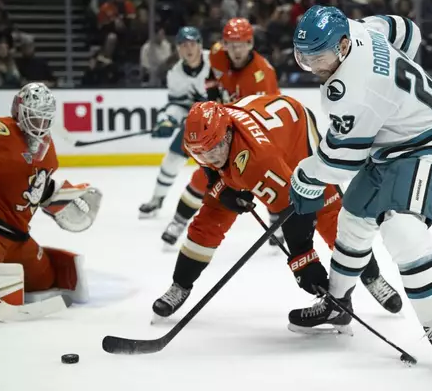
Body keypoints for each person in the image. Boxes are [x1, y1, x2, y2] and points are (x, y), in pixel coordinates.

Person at [287, 6, 432, 363]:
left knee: (401, 228)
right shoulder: (359, 28)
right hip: (391, 140)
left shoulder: (350, 90)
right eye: (304, 58)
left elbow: (342, 161)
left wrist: (305, 177)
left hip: (425, 143)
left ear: (340, 47)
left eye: (318, 58)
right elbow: (408, 30)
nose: (313, 68)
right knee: (353, 220)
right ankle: (337, 303)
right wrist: (396, 93)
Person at [151, 95, 402, 322]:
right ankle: (180, 285)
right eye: (200, 153)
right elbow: (209, 161)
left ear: (227, 133)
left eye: (214, 148)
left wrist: (304, 263)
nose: (210, 157)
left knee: (329, 214)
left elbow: (293, 208)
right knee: (208, 220)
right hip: (258, 137)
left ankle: (372, 277)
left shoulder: (261, 160)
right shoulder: (203, 136)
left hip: (295, 136)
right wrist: (220, 186)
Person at [0, 83, 101, 317]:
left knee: (46, 278)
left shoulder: (47, 149)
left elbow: (31, 182)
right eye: (34, 118)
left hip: (16, 236)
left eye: (44, 120)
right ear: (19, 110)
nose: (40, 126)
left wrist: (59, 198)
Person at [154, 18, 284, 250]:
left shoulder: (262, 74)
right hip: (225, 132)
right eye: (231, 44)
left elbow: (264, 117)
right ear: (223, 44)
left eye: (241, 43)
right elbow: (211, 80)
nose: (236, 49)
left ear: (250, 43)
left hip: (257, 132)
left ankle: (277, 221)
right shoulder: (215, 56)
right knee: (201, 178)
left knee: (265, 177)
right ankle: (178, 222)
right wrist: (211, 97)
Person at [138, 26, 210, 219]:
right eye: (184, 45)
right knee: (172, 159)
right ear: (177, 49)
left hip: (226, 124)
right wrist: (168, 120)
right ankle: (157, 199)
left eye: (193, 44)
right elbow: (178, 105)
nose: (189, 49)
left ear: (200, 45)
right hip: (197, 126)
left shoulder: (216, 62)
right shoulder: (175, 74)